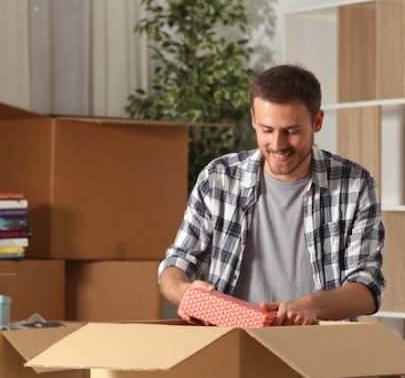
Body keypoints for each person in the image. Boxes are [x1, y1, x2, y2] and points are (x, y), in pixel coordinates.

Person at [158, 64, 385, 326]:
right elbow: (176, 263)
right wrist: (184, 292)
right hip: (235, 344)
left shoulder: (355, 184)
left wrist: (310, 306)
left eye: (291, 131)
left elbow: (367, 288)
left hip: (321, 347)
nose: (277, 145)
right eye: (266, 130)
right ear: (254, 119)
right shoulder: (218, 178)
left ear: (317, 121)